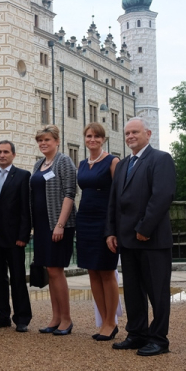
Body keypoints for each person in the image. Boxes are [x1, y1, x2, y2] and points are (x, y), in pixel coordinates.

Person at [106, 117, 176, 356]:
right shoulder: (124, 164)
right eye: (127, 133)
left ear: (148, 133)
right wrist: (111, 231)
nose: (130, 137)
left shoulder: (160, 159)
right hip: (126, 240)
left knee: (157, 292)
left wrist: (145, 229)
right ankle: (137, 333)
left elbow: (162, 197)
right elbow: (114, 202)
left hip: (152, 240)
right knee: (134, 292)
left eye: (134, 132)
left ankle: (158, 339)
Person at [76, 123, 121, 341]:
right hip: (84, 220)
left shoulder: (112, 162)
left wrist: (113, 228)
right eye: (88, 136)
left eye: (96, 136)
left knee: (106, 271)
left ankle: (112, 322)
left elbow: (120, 195)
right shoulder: (82, 164)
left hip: (104, 221)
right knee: (92, 271)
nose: (92, 139)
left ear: (103, 139)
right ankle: (103, 320)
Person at [31, 125, 77, 336]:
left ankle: (66, 319)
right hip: (41, 226)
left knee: (56, 271)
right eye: (40, 140)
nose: (43, 143)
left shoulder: (63, 161)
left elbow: (70, 193)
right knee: (50, 272)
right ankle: (55, 317)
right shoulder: (38, 164)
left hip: (57, 225)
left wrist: (60, 224)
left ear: (56, 141)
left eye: (47, 140)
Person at [0, 141, 32, 332]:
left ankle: (22, 318)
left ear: (13, 154)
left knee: (18, 278)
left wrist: (24, 235)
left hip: (15, 237)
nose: (2, 155)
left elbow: (25, 208)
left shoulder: (22, 176)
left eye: (6, 152)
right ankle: (2, 315)